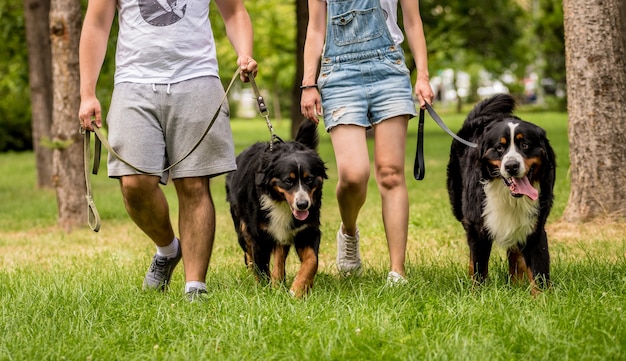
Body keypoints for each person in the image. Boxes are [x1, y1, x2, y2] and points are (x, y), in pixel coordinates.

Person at [78, 0, 258, 301]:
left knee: (193, 184)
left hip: (197, 77)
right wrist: (87, 93)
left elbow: (235, 11)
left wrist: (245, 53)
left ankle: (195, 288)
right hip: (133, 83)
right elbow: (96, 23)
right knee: (134, 183)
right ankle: (167, 249)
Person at [300, 0, 435, 284]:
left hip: (389, 68)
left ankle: (397, 271)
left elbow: (412, 21)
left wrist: (422, 76)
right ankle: (349, 232)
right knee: (352, 174)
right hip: (339, 74)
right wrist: (308, 82)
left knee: (390, 173)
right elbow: (315, 29)